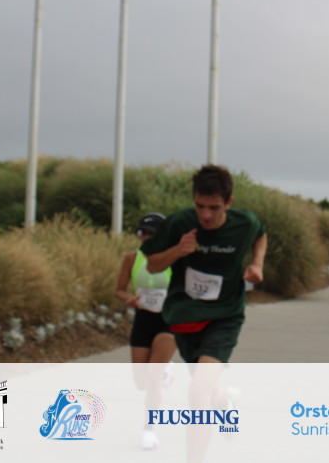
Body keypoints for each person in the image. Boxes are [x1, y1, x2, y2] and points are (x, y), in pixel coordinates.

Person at [140, 165, 268, 463]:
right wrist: (177, 251)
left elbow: (261, 234)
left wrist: (258, 264)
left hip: (224, 317)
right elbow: (152, 265)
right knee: (207, 390)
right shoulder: (180, 223)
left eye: (214, 207)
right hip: (185, 318)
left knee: (197, 393)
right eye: (200, 206)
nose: (206, 215)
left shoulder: (244, 223)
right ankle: (223, 401)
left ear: (229, 203)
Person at [116, 212, 175, 450]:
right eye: (142, 233)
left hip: (168, 322)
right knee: (141, 382)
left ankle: (149, 430)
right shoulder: (132, 258)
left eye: (152, 234)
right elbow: (119, 290)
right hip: (143, 321)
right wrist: (128, 298)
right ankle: (165, 371)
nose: (146, 237)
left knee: (152, 379)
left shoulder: (175, 259)